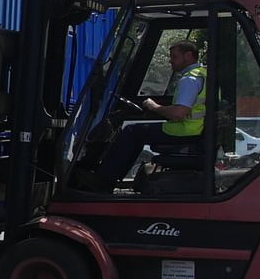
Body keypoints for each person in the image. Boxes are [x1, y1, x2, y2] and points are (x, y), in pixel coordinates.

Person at [89, 39, 207, 190]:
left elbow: (178, 113)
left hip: (185, 130)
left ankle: (102, 183)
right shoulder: (203, 74)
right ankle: (112, 178)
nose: (171, 61)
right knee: (137, 134)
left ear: (188, 55)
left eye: (174, 57)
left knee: (131, 132)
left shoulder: (190, 79)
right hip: (195, 129)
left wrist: (154, 106)